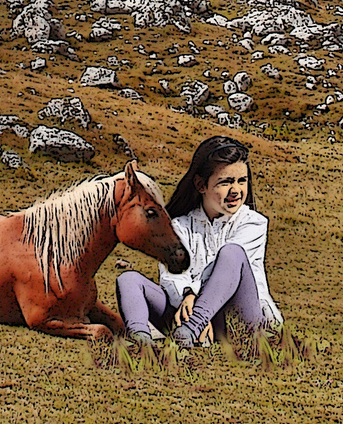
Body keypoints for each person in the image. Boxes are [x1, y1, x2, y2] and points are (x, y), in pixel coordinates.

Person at [115, 135, 282, 347]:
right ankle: (141, 342)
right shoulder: (179, 226)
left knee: (232, 253)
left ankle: (192, 329)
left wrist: (194, 299)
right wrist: (187, 294)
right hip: (186, 313)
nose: (236, 190)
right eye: (225, 182)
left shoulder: (253, 224)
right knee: (128, 280)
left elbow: (228, 275)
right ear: (201, 185)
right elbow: (171, 276)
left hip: (240, 321)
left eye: (242, 181)